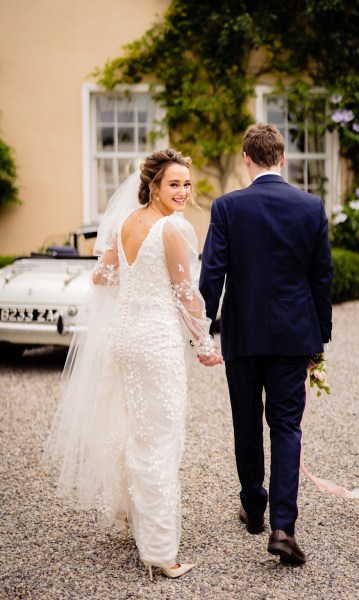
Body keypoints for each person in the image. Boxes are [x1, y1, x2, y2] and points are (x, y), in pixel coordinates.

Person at [42, 149, 223, 580]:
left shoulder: (126, 222)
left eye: (186, 183)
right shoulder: (173, 229)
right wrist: (204, 342)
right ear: (154, 186)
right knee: (159, 440)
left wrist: (137, 285)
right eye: (173, 184)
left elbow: (101, 277)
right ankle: (161, 552)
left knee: (133, 431)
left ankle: (133, 518)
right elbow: (185, 294)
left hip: (124, 339)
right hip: (156, 343)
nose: (182, 192)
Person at [199, 123, 333, 565]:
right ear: (282, 159)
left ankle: (254, 510)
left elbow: (211, 276)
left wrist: (202, 330)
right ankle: (283, 527)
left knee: (246, 422)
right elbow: (321, 280)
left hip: (243, 336)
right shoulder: (311, 207)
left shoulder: (227, 207)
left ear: (246, 160)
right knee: (287, 427)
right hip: (294, 337)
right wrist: (319, 340)